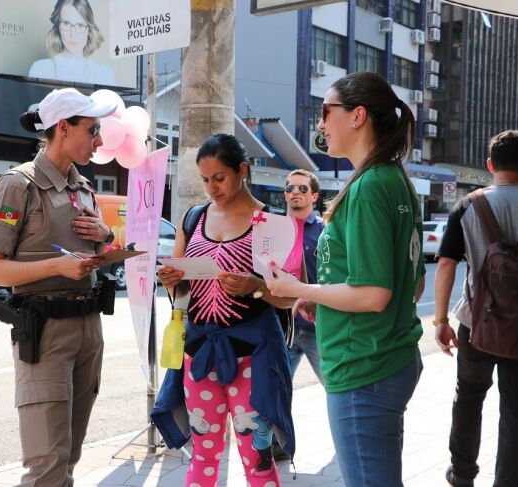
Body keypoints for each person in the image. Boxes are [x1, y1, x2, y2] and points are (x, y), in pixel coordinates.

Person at [265, 72, 425, 487]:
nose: (320, 123)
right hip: (386, 359)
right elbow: (412, 284)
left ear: (357, 116)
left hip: (364, 368)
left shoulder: (370, 186)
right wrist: (327, 297)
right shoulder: (394, 180)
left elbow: (374, 294)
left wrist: (299, 288)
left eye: (325, 112)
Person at [0, 87, 117, 486]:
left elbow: (96, 249)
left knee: (69, 457)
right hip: (46, 332)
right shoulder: (17, 186)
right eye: (92, 130)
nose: (100, 141)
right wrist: (56, 265)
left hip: (89, 328)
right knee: (47, 467)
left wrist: (106, 238)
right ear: (62, 127)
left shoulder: (83, 187)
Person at [151, 134, 298, 487]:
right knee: (202, 455)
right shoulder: (194, 217)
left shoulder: (271, 222)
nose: (211, 188)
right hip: (200, 353)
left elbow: (291, 295)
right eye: (204, 179)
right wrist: (171, 280)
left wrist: (256, 286)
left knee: (257, 457)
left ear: (242, 171)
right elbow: (182, 290)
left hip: (253, 357)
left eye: (219, 178)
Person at [433, 130, 518, 487]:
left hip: (476, 324)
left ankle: (462, 474)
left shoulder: (468, 205)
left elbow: (446, 264)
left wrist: (440, 320)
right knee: (516, 414)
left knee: (468, 398)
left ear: (490, 164)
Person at [283, 169, 325, 384]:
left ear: (314, 196)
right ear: (285, 194)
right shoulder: (272, 229)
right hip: (282, 327)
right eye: (290, 188)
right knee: (276, 394)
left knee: (335, 387)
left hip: (316, 327)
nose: (295, 192)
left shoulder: (325, 231)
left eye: (302, 188)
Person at [28, 0, 116, 86]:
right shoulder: (39, 69)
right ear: (58, 26)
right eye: (66, 23)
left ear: (89, 30)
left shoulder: (105, 74)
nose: (73, 34)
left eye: (80, 25)